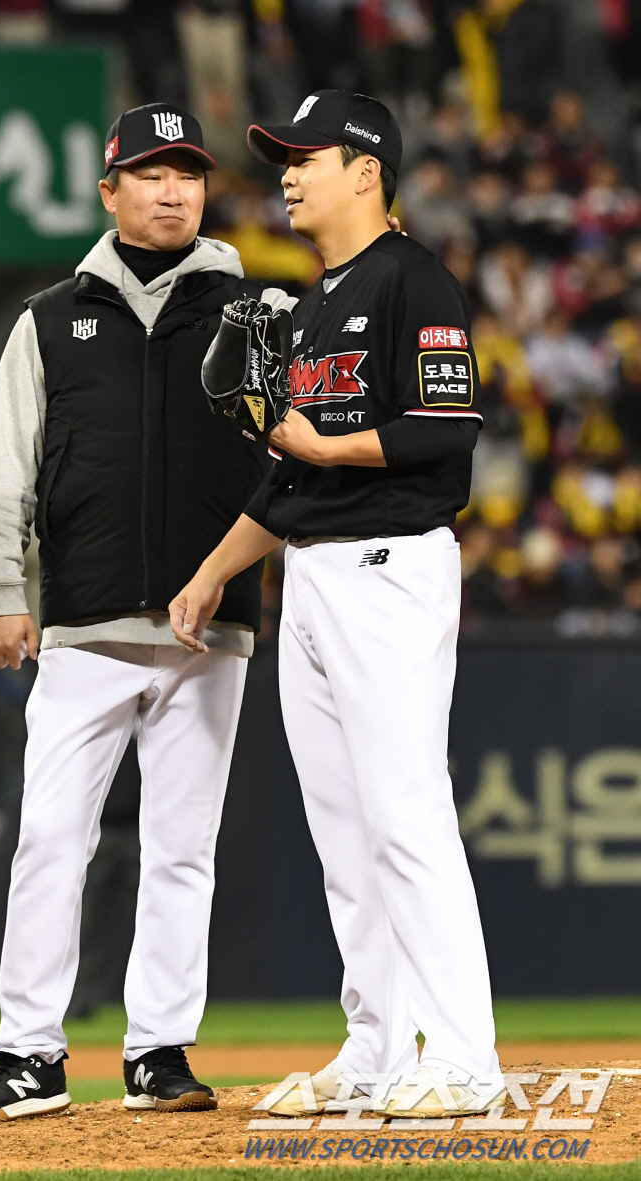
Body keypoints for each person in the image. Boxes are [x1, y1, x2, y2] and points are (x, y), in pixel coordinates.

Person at [0, 103, 295, 1125]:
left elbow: (290, 459)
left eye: (188, 171)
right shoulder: (51, 316)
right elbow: (6, 463)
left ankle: (159, 1049)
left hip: (208, 627)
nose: (172, 188)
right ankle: (27, 1053)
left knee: (185, 844)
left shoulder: (256, 308)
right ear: (110, 191)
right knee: (51, 835)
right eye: (150, 172)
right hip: (86, 622)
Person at [171, 90, 505, 1119]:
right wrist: (213, 569)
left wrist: (325, 443)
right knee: (343, 826)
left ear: (367, 169)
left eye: (307, 155)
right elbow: (289, 483)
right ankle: (376, 1041)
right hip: (311, 572)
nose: (288, 170)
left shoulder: (416, 279)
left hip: (389, 563)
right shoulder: (315, 299)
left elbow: (446, 428)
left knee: (404, 809)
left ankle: (461, 1053)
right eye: (283, 155)